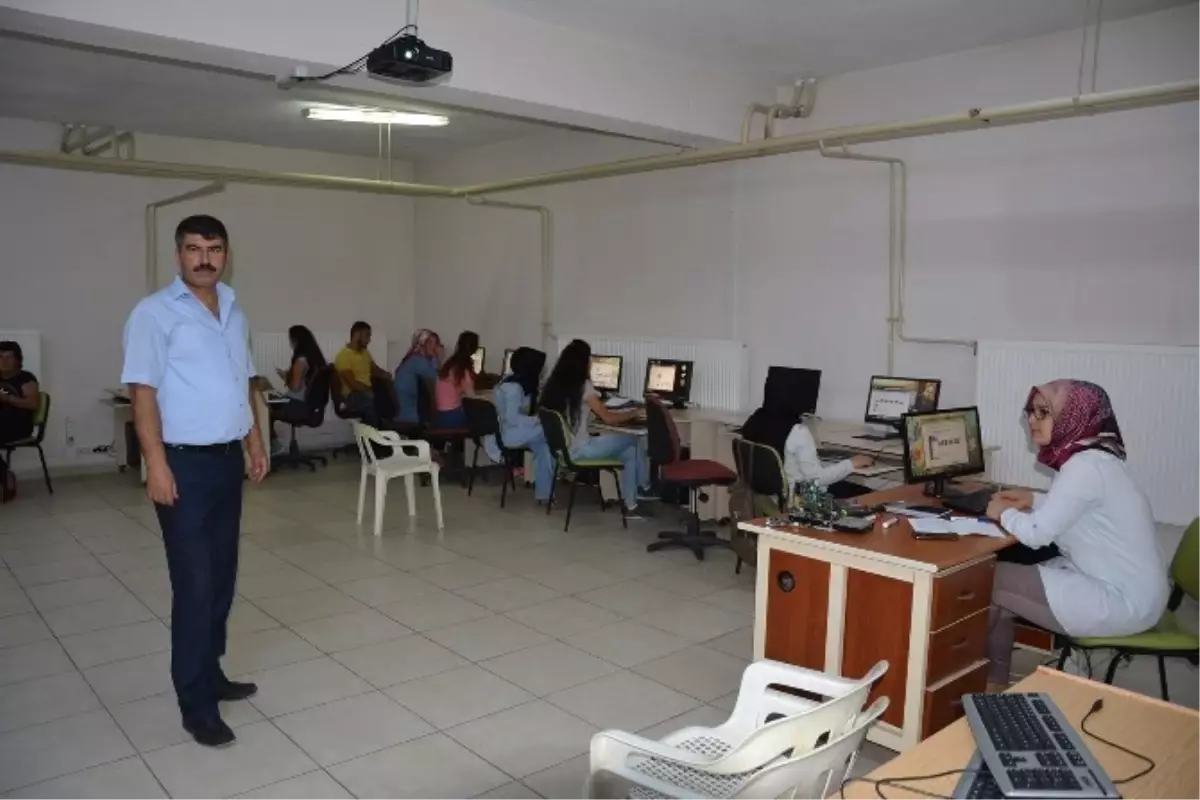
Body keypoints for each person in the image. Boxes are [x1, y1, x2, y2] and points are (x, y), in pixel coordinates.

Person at [121, 214, 268, 748]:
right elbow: (143, 396)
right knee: (196, 584)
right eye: (193, 249)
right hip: (182, 463)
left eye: (214, 249)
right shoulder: (154, 314)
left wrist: (253, 441)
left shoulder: (232, 308)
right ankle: (194, 701)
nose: (204, 258)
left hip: (227, 459)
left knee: (223, 578)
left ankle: (212, 672)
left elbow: (242, 382)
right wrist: (155, 464)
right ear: (178, 254)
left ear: (226, 254)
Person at [983, 380, 1169, 691]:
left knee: (986, 581)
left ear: (1075, 417)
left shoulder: (1082, 468)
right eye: (1031, 411)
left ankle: (982, 679)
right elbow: (1081, 512)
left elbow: (1037, 534)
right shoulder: (1096, 458)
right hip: (1136, 590)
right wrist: (1033, 500)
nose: (1032, 420)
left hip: (1122, 601)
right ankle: (993, 685)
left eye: (1044, 413)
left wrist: (1001, 512)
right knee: (1002, 585)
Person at [539, 339, 654, 515]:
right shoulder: (583, 386)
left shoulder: (553, 384)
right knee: (634, 440)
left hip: (563, 450)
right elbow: (609, 418)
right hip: (581, 449)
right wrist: (636, 412)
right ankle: (646, 487)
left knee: (630, 452)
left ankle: (631, 504)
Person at [740, 369, 873, 499]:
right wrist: (850, 464)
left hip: (769, 496)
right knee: (873, 495)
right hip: (802, 497)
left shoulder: (755, 420)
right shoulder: (797, 431)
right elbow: (817, 479)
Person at [491, 347, 553, 502]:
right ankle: (572, 463)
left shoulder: (510, 382)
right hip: (513, 434)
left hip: (513, 431)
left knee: (544, 448)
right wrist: (538, 419)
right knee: (555, 430)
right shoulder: (514, 389)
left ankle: (544, 495)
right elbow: (513, 419)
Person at [270, 325, 327, 455]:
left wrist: (286, 377)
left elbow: (295, 388)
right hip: (308, 406)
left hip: (297, 406)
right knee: (270, 400)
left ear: (296, 341)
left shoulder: (301, 360)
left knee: (265, 408)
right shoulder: (316, 359)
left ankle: (274, 445)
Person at [0, 341, 40, 499]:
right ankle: (6, 476)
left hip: (18, 425)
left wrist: (8, 399)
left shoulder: (26, 378)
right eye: (0, 357)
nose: (3, 360)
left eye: (8, 357)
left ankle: (7, 478)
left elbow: (32, 404)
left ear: (17, 360)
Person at [333, 321, 392, 424]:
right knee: (373, 400)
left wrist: (386, 375)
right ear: (358, 335)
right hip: (352, 396)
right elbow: (353, 384)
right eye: (367, 336)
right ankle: (376, 434)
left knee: (387, 392)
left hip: (366, 392)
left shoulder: (365, 353)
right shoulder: (343, 356)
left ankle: (384, 430)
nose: (369, 340)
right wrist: (371, 391)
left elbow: (375, 370)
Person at [393, 328, 441, 425]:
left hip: (401, 412)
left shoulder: (411, 358)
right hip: (410, 415)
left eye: (435, 343)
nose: (434, 347)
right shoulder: (419, 361)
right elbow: (439, 380)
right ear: (422, 344)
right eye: (430, 343)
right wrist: (437, 356)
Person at [432, 330, 479, 429]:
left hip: (439, 415)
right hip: (451, 416)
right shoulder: (463, 369)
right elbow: (471, 396)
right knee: (483, 418)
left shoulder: (449, 364)